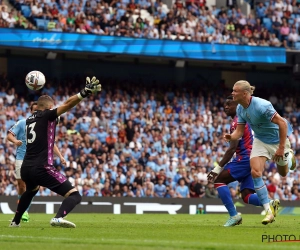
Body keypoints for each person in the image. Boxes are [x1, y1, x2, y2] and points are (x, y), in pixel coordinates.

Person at [9, 76, 101, 228]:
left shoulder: (29, 120)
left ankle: (15, 221)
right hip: (41, 167)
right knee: (75, 195)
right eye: (52, 108)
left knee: (31, 190)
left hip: (26, 167)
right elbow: (67, 104)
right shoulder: (47, 115)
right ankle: (58, 218)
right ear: (47, 108)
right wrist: (84, 93)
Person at [224, 80, 296, 225]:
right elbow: (239, 131)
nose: (232, 93)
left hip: (277, 140)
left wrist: (281, 148)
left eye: (235, 91)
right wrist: (231, 137)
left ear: (244, 93)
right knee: (255, 172)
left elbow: (282, 123)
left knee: (283, 172)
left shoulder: (262, 105)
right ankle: (269, 211)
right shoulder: (240, 109)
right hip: (261, 141)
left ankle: (289, 158)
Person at [207, 95, 278, 227]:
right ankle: (270, 203)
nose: (226, 106)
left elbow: (232, 149)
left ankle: (234, 216)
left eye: (229, 104)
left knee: (219, 180)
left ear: (238, 106)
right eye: (225, 104)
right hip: (254, 158)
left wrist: (216, 169)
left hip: (245, 159)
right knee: (246, 195)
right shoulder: (247, 119)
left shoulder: (237, 122)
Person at [7, 101, 66, 222]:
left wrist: (60, 156)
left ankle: (25, 212)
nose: (36, 112)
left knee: (32, 186)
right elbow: (9, 135)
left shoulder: (43, 123)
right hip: (21, 156)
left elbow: (51, 143)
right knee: (21, 185)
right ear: (31, 111)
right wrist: (15, 142)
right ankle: (21, 211)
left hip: (35, 159)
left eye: (37, 110)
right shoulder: (23, 122)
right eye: (34, 110)